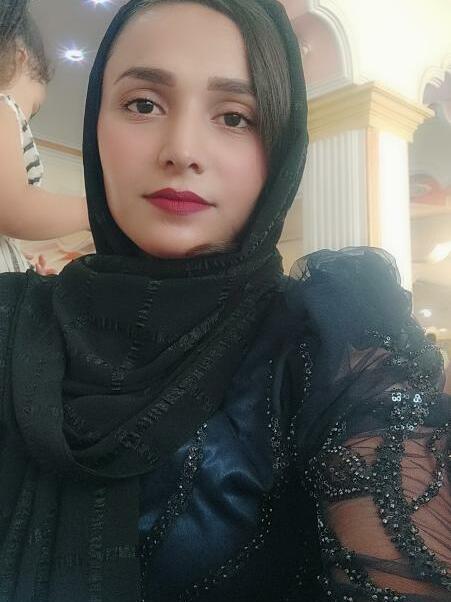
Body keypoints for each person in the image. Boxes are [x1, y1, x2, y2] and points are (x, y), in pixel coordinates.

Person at [0, 1, 449, 600]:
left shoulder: (332, 345)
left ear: (281, 145)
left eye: (235, 117)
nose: (182, 150)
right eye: (143, 104)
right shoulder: (11, 320)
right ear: (95, 125)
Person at [0, 0, 89, 273]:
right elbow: (12, 208)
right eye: (33, 109)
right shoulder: (3, 107)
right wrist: (92, 210)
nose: (26, 122)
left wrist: (25, 274)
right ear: (21, 57)